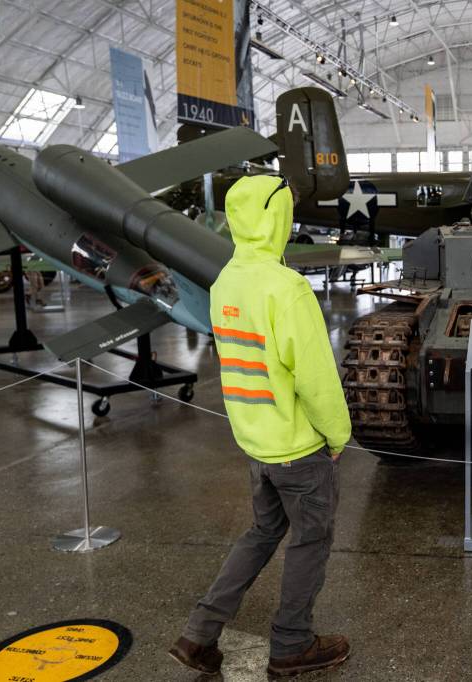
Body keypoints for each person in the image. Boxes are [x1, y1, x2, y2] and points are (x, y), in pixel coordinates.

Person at [169, 175, 353, 678]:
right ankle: (292, 643)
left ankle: (199, 634)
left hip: (256, 442)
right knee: (310, 541)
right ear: (277, 219)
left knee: (262, 532)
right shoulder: (286, 287)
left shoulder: (226, 280)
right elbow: (315, 377)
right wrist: (337, 435)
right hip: (297, 446)